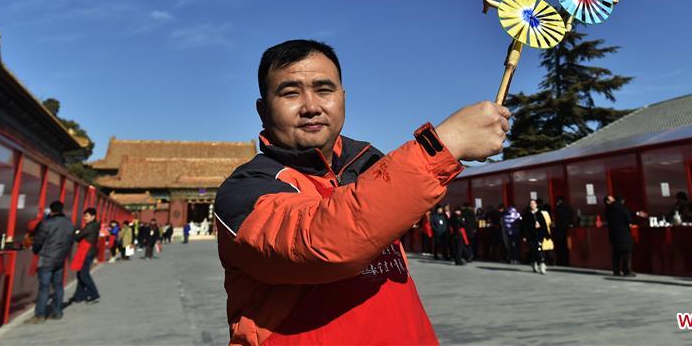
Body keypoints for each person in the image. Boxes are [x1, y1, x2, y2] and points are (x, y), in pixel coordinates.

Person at [214, 39, 508, 344]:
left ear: (343, 98)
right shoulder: (245, 191)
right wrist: (444, 145)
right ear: (263, 110)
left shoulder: (368, 166)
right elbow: (324, 244)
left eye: (324, 89)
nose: (311, 107)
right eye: (290, 93)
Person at [23, 201, 74, 324]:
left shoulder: (47, 223)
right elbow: (70, 241)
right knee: (58, 286)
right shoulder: (69, 224)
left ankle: (39, 315)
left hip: (47, 258)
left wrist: (35, 250)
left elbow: (39, 241)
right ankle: (57, 312)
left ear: (51, 210)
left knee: (44, 287)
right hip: (60, 259)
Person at [71, 207, 101, 303]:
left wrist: (76, 233)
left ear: (93, 216)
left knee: (84, 275)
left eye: (87, 216)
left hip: (86, 252)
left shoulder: (90, 226)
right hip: (89, 252)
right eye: (84, 216)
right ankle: (78, 295)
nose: (85, 218)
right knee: (80, 274)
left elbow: (78, 236)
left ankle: (94, 293)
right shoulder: (94, 225)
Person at [604, 195, 635, 277]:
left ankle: (616, 271)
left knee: (616, 253)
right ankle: (626, 271)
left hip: (613, 234)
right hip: (624, 233)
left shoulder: (607, 210)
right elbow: (629, 220)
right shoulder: (622, 208)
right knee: (626, 252)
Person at [523, 199, 551, 274]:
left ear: (536, 205)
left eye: (533, 203)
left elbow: (544, 224)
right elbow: (524, 226)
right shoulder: (527, 214)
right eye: (531, 204)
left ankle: (542, 265)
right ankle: (534, 263)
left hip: (539, 235)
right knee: (533, 250)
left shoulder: (540, 214)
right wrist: (525, 236)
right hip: (531, 236)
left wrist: (546, 234)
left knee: (540, 250)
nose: (532, 205)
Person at [553, 197, 574, 266]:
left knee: (560, 247)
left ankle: (560, 261)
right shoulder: (569, 209)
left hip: (559, 231)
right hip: (567, 230)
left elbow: (556, 221)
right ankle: (567, 261)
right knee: (566, 247)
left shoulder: (557, 209)